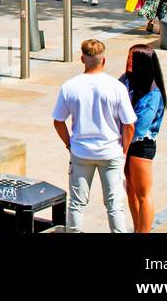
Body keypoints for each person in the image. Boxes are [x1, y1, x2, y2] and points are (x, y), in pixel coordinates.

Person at [52, 39, 136, 233]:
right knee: (115, 204)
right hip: (110, 151)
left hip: (81, 152)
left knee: (77, 203)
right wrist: (123, 148)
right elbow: (129, 124)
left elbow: (58, 121)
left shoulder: (69, 86)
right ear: (103, 60)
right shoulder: (116, 87)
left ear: (82, 59)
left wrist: (69, 145)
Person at [121, 44, 167, 234]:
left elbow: (139, 127)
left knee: (143, 193)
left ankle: (144, 231)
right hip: (126, 139)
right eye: (128, 57)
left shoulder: (153, 93)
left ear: (143, 63)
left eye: (132, 58)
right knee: (130, 190)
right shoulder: (127, 80)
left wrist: (123, 149)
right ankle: (138, 228)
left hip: (141, 144)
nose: (128, 61)